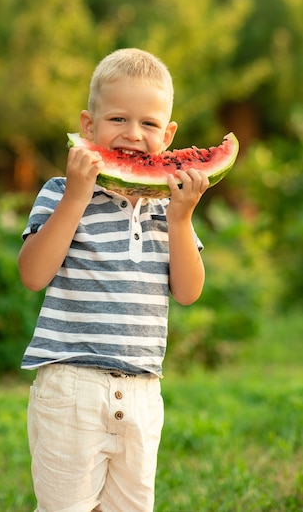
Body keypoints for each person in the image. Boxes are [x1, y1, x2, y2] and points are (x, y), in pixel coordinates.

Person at [18, 48, 209, 512]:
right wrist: (77, 199)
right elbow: (32, 274)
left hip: (143, 391)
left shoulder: (169, 207)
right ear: (88, 126)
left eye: (148, 124)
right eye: (118, 118)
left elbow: (188, 292)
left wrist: (182, 220)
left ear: (169, 135)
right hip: (71, 385)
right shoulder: (60, 192)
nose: (132, 134)